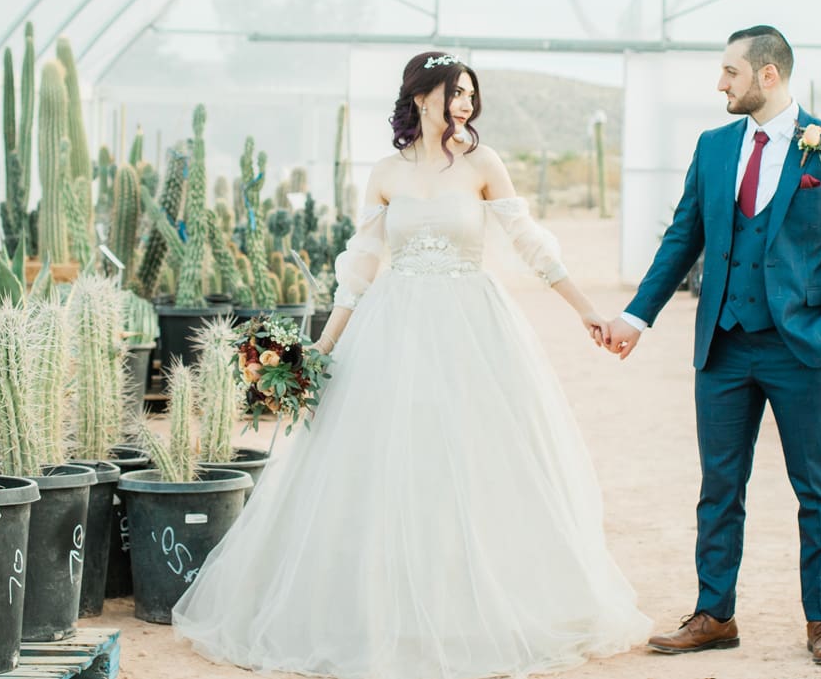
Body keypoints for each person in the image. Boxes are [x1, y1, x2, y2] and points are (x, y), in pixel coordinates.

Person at [169, 51, 651, 679]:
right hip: (392, 326)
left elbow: (528, 241)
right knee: (388, 463)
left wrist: (586, 310)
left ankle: (470, 610)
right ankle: (383, 608)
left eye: (472, 94)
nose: (466, 103)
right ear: (422, 96)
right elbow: (363, 263)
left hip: (471, 328)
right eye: (457, 91)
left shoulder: (484, 163)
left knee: (473, 461)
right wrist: (324, 346)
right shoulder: (385, 173)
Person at [602, 25, 821, 667]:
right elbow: (682, 238)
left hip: (801, 348)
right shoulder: (715, 146)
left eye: (730, 71)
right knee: (719, 484)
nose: (719, 83)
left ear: (768, 74)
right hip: (723, 346)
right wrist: (636, 318)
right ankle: (714, 613)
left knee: (818, 488)